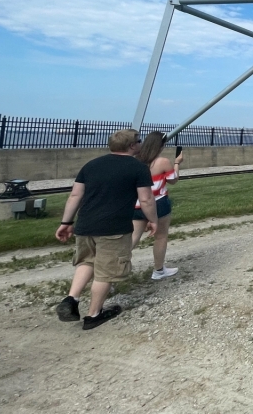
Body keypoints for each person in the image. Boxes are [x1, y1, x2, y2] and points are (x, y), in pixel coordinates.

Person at [54, 128, 157, 330]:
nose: (140, 143)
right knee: (106, 272)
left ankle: (71, 299)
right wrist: (152, 219)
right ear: (132, 145)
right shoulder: (137, 168)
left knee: (87, 261)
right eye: (139, 140)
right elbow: (146, 198)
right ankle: (94, 315)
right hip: (114, 228)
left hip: (85, 225)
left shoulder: (91, 165)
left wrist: (66, 222)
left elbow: (75, 196)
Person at [130, 131, 183, 280]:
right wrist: (177, 163)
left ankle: (112, 272)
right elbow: (173, 180)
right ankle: (158, 270)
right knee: (161, 237)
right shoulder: (163, 162)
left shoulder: (135, 161)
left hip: (138, 204)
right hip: (158, 203)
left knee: (133, 238)